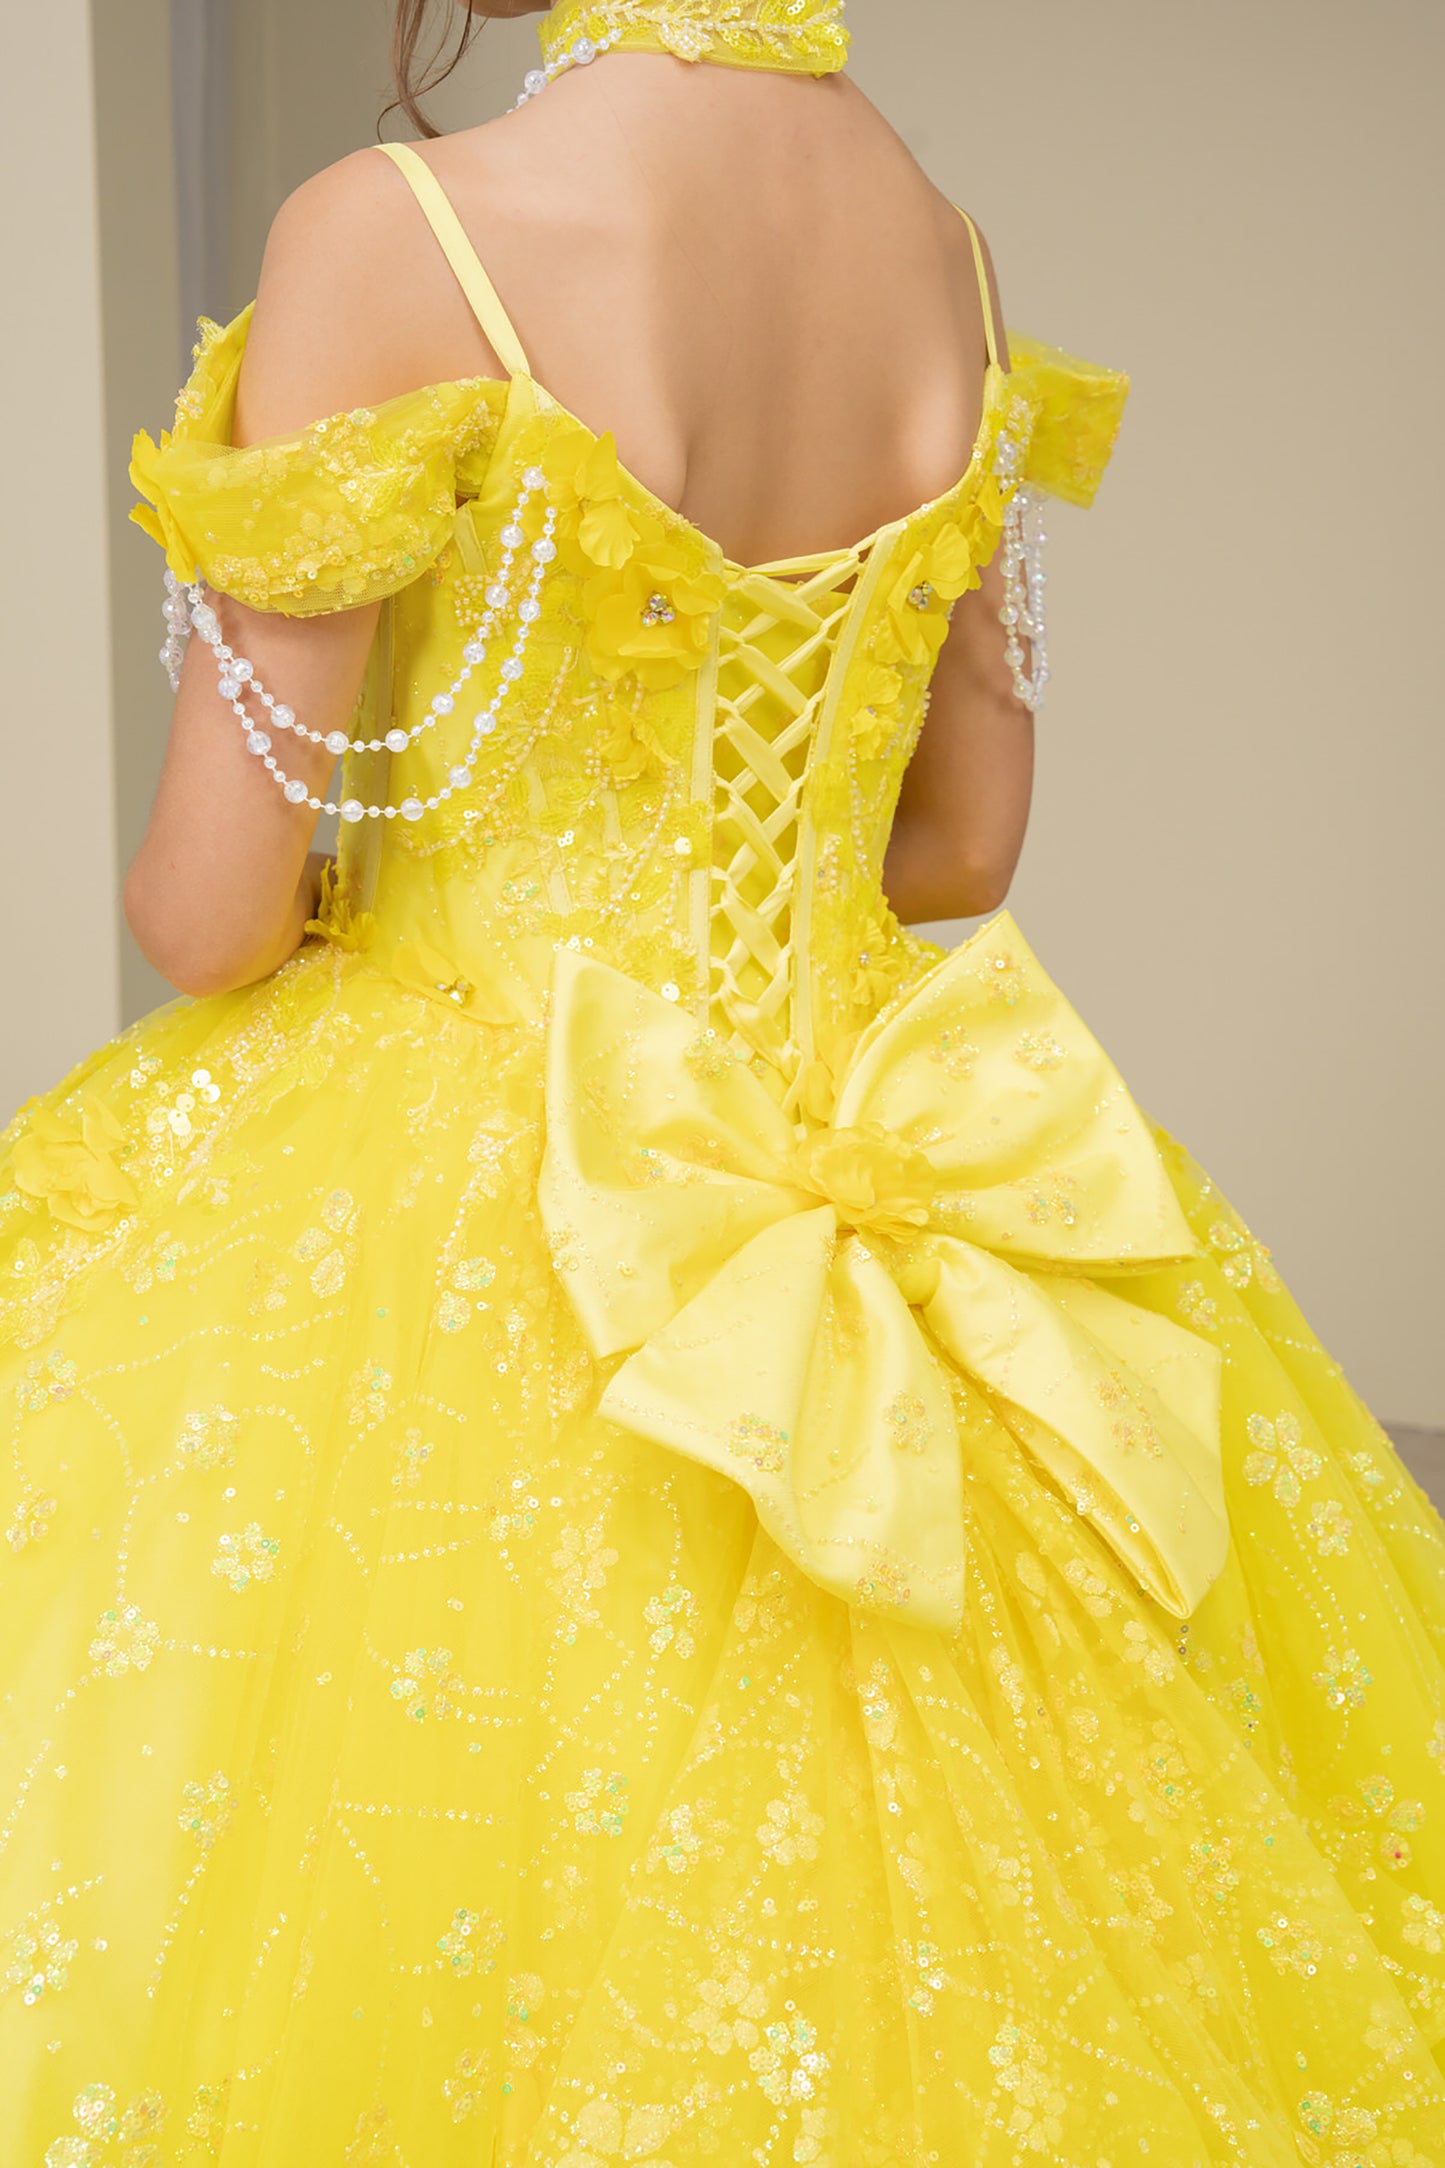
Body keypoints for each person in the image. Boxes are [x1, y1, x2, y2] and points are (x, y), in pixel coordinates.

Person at [4, 1, 1443, 2159]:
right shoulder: (938, 251)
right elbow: (960, 848)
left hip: (483, 1146)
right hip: (885, 1139)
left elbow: (211, 905)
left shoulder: (392, 231)